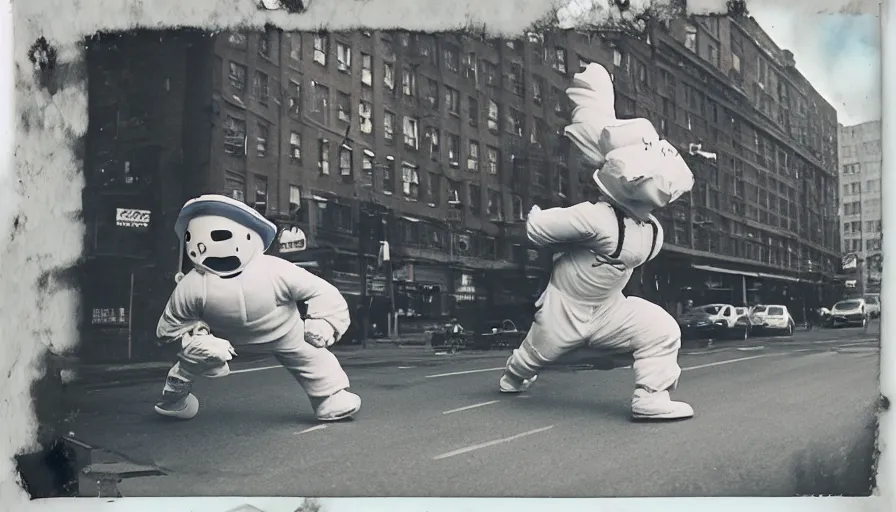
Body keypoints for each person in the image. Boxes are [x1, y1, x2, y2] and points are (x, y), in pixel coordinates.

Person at [498, 63, 696, 421]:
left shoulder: (651, 231)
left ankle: (650, 397)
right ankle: (514, 375)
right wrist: (539, 219)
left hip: (609, 309)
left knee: (662, 329)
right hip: (565, 308)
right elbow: (537, 229)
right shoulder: (595, 218)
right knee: (531, 358)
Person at [153, 194, 362, 422]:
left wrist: (324, 323)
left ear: (249, 236)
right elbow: (170, 325)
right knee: (195, 356)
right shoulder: (193, 284)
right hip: (223, 339)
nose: (203, 246)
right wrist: (194, 339)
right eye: (193, 238)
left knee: (311, 356)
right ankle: (174, 399)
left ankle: (330, 397)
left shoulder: (274, 270)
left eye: (218, 236)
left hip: (284, 332)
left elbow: (320, 291)